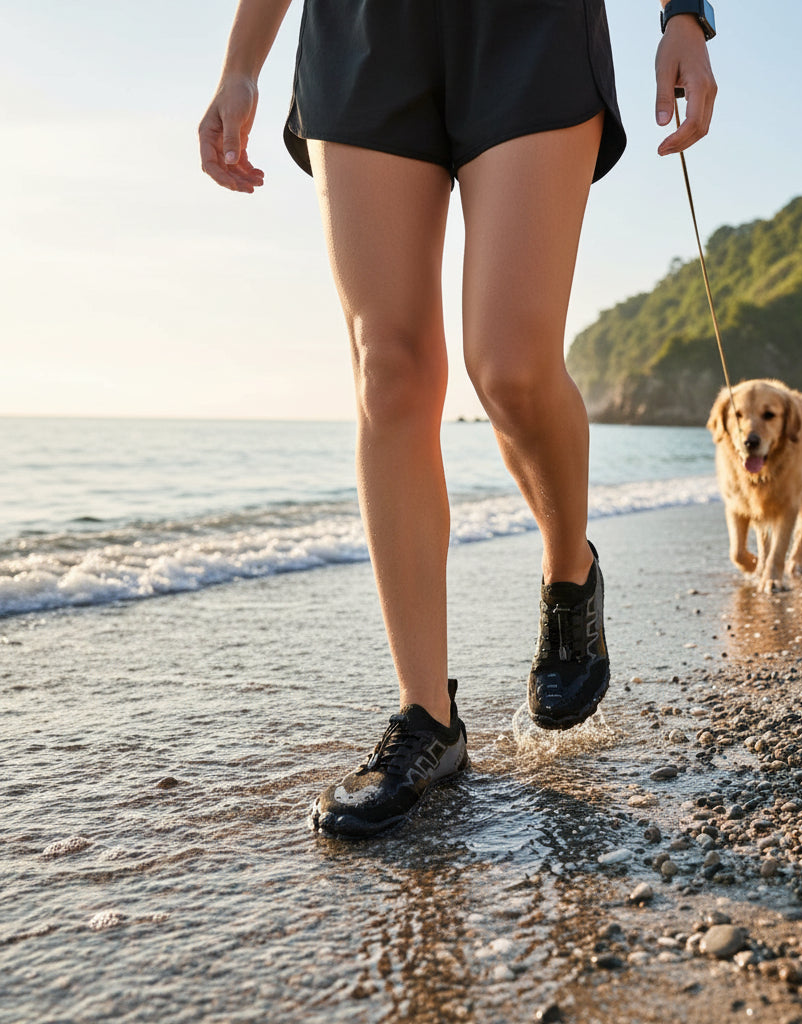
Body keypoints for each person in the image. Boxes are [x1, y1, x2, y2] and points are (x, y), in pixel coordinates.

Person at [199, 0, 717, 837]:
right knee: (389, 369)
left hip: (530, 27)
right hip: (364, 33)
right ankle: (426, 719)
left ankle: (568, 572)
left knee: (510, 368)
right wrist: (240, 63)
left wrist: (685, 18)